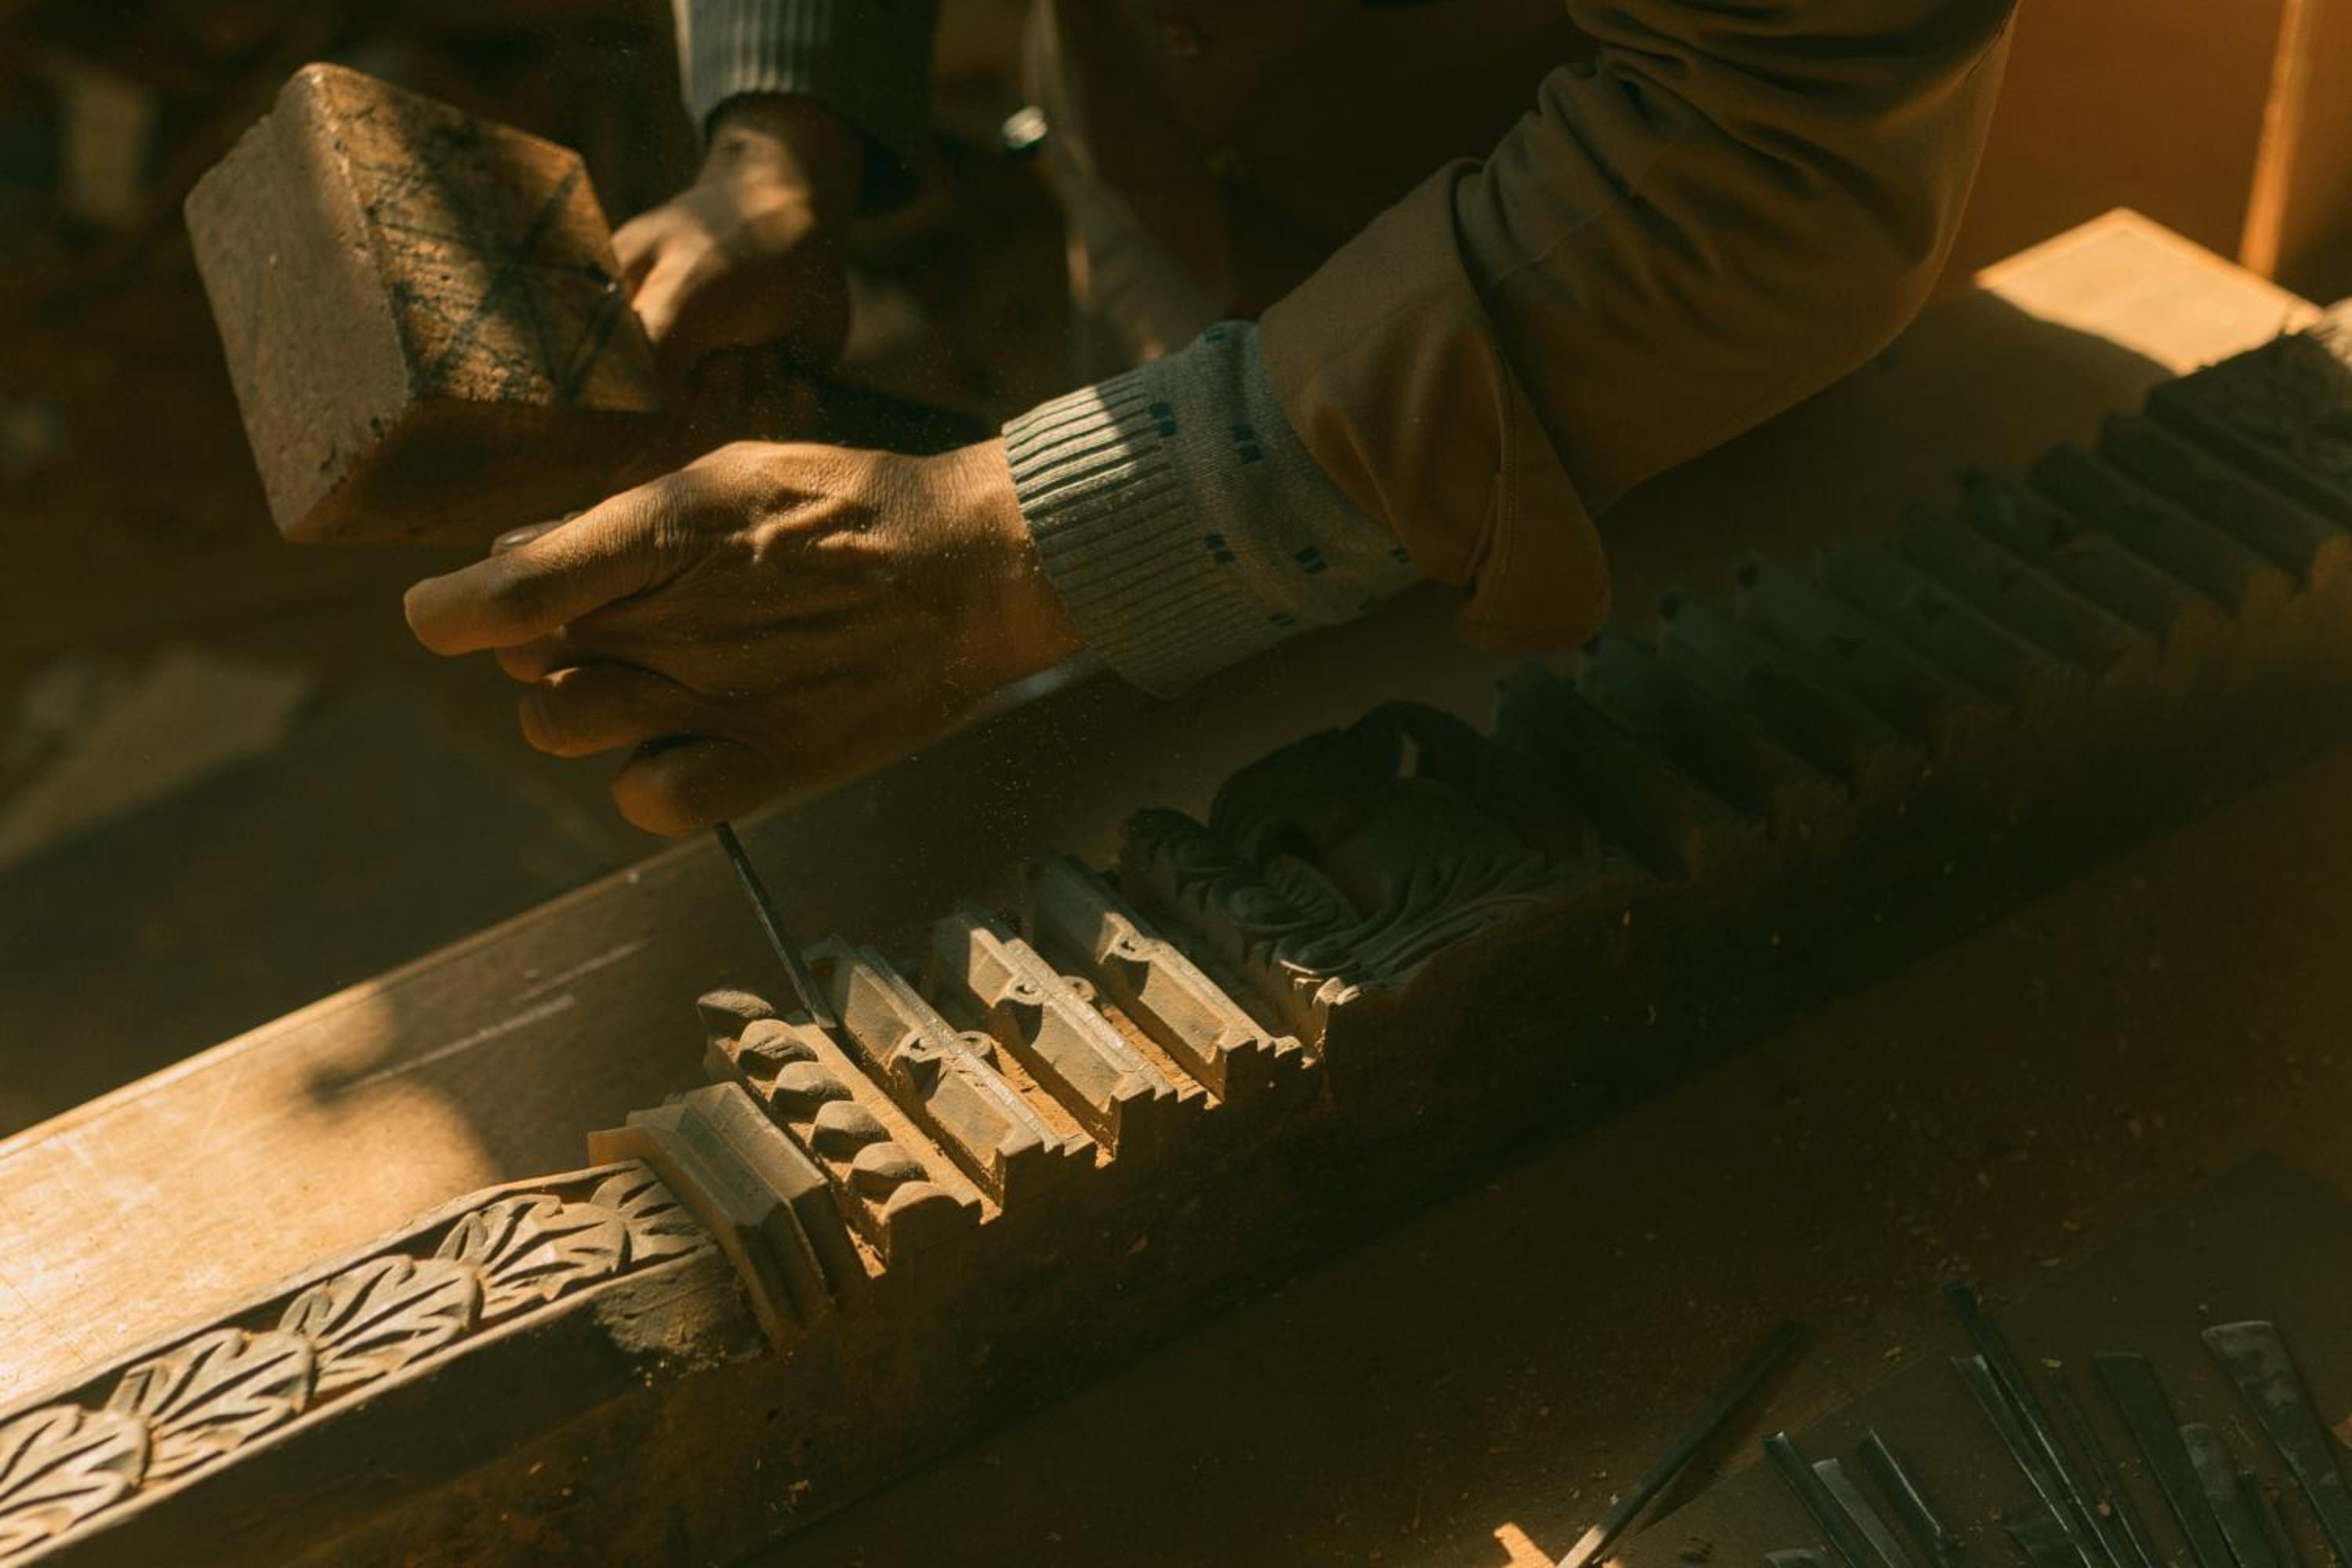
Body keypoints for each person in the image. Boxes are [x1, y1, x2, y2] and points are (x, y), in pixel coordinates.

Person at [402, 0, 2019, 835]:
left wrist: (1016, 537)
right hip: (1157, 196)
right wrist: (784, 117)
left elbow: (1767, 152)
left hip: (1649, 365)